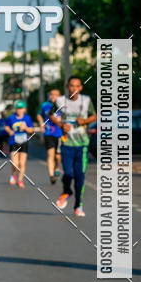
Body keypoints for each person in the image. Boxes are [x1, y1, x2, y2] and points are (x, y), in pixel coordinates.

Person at [49, 76, 96, 217]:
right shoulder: (60, 101)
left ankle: (78, 205)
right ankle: (66, 191)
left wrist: (85, 120)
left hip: (82, 145)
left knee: (79, 176)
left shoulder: (86, 101)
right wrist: (61, 125)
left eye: (77, 86)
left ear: (80, 88)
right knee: (68, 173)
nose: (74, 89)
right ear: (67, 87)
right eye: (71, 86)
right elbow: (50, 114)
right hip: (66, 143)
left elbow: (94, 116)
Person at [4, 100, 34, 188]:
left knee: (22, 163)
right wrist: (9, 131)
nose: (19, 110)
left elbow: (31, 130)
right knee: (14, 163)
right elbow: (6, 126)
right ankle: (13, 174)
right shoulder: (11, 118)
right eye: (18, 108)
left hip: (24, 142)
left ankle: (20, 180)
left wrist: (26, 128)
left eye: (21, 108)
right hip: (13, 142)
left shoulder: (27, 118)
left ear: (24, 109)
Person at [37, 88, 62, 183]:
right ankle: (51, 175)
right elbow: (39, 115)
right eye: (52, 94)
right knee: (50, 154)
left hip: (59, 133)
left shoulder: (63, 105)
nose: (53, 97)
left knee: (58, 156)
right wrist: (41, 123)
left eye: (56, 95)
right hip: (48, 132)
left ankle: (56, 167)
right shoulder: (45, 105)